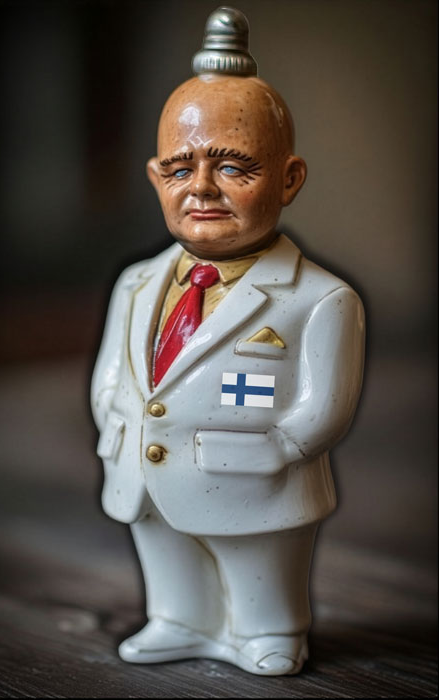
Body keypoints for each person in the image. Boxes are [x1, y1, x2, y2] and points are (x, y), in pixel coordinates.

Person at [91, 7, 365, 676]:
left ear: (288, 179)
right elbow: (112, 370)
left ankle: (269, 630)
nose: (202, 189)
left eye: (235, 168)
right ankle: (178, 617)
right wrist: (112, 416)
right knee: (165, 549)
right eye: (179, 169)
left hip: (253, 474)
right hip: (141, 467)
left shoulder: (320, 298)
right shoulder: (136, 282)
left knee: (258, 557)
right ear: (155, 178)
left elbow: (326, 403)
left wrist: (281, 447)